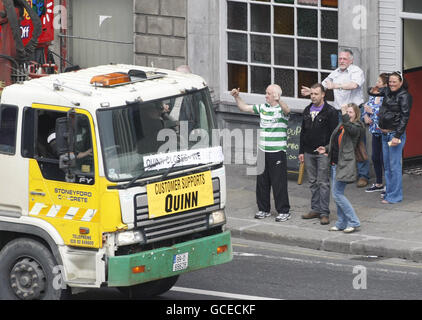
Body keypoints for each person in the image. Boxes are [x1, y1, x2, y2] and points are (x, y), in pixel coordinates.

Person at [301, 49, 369, 188]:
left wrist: (336, 86)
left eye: (344, 59)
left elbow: (354, 85)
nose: (342, 61)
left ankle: (363, 175)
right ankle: (341, 172)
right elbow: (323, 86)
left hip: (354, 111)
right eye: (340, 59)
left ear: (351, 60)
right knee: (338, 142)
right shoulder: (336, 73)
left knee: (359, 142)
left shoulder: (356, 71)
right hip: (339, 112)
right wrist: (312, 91)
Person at [230, 84, 291, 222]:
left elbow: (288, 110)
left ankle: (284, 211)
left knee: (278, 183)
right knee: (262, 182)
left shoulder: (281, 110)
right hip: (263, 151)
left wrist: (279, 100)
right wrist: (237, 97)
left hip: (277, 152)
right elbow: (244, 107)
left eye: (268, 93)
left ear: (275, 95)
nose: (266, 96)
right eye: (266, 93)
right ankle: (264, 209)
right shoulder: (263, 108)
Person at [316, 103, 364, 233]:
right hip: (335, 163)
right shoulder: (342, 125)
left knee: (337, 194)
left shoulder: (357, 126)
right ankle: (342, 223)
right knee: (338, 194)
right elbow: (335, 142)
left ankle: (353, 221)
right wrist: (325, 148)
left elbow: (350, 128)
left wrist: (343, 114)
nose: (348, 114)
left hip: (345, 165)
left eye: (350, 112)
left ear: (356, 114)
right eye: (347, 112)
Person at [299, 83, 338, 225]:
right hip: (308, 152)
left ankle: (324, 212)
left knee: (323, 182)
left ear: (323, 95)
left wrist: (329, 151)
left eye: (316, 94)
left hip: (323, 153)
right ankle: (315, 208)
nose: (313, 97)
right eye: (312, 94)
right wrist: (301, 151)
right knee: (312, 182)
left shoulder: (330, 111)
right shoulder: (307, 110)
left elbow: (335, 135)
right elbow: (302, 132)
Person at [378, 71, 412, 204]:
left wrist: (397, 136)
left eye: (394, 82)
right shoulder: (388, 92)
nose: (391, 84)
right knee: (387, 166)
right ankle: (389, 192)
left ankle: (395, 196)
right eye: (390, 82)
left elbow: (405, 117)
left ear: (401, 82)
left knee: (394, 166)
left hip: (394, 135)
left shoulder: (404, 96)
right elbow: (373, 91)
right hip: (385, 134)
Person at [361, 73, 389, 193]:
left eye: (379, 82)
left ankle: (389, 185)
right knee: (375, 157)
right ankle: (378, 183)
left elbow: (385, 112)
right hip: (374, 131)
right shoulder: (373, 95)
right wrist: (365, 115)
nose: (376, 83)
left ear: (385, 85)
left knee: (385, 159)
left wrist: (371, 111)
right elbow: (365, 108)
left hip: (385, 132)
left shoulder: (387, 96)